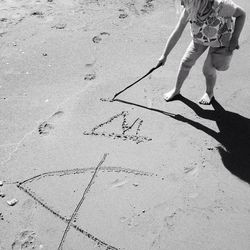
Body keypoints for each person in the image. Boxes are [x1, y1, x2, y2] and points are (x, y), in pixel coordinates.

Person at [157, 0, 246, 104]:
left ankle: (209, 93)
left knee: (207, 70)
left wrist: (235, 39)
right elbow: (178, 31)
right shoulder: (190, 9)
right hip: (200, 38)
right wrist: (164, 55)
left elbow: (241, 14)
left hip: (220, 39)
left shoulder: (221, 6)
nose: (182, 4)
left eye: (184, 1)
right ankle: (176, 90)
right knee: (186, 62)